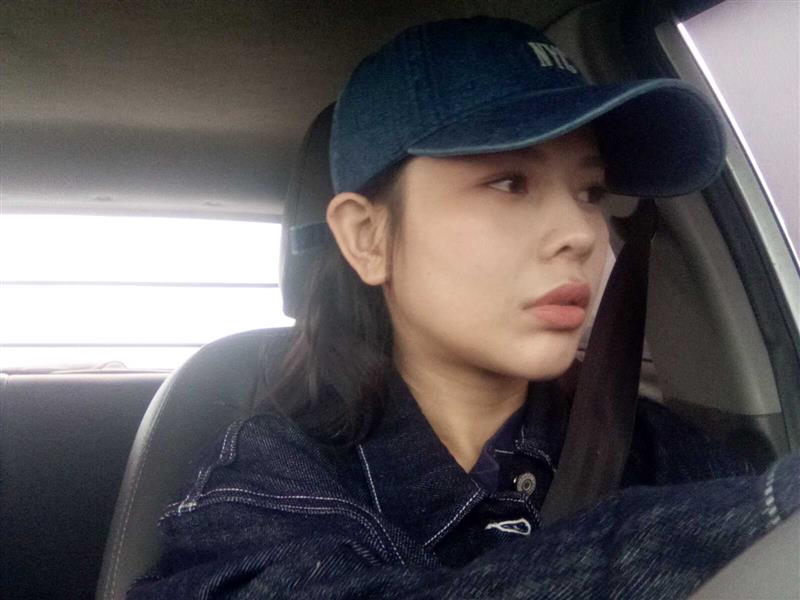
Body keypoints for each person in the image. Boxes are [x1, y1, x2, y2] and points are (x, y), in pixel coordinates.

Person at [128, 16, 799, 599]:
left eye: (591, 192)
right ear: (368, 238)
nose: (582, 233)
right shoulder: (271, 477)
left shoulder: (652, 445)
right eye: (509, 182)